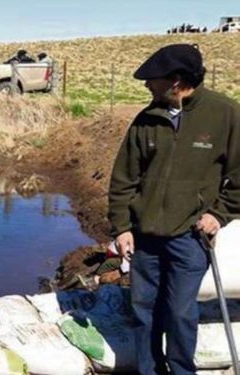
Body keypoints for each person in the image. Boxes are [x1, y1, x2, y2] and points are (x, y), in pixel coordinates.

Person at [108, 44, 240, 375]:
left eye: (152, 79)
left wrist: (219, 214)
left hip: (191, 236)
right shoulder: (146, 119)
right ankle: (149, 370)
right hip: (145, 237)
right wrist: (122, 227)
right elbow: (123, 178)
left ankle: (182, 370)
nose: (146, 85)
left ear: (176, 81)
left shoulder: (225, 115)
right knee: (143, 309)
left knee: (180, 312)